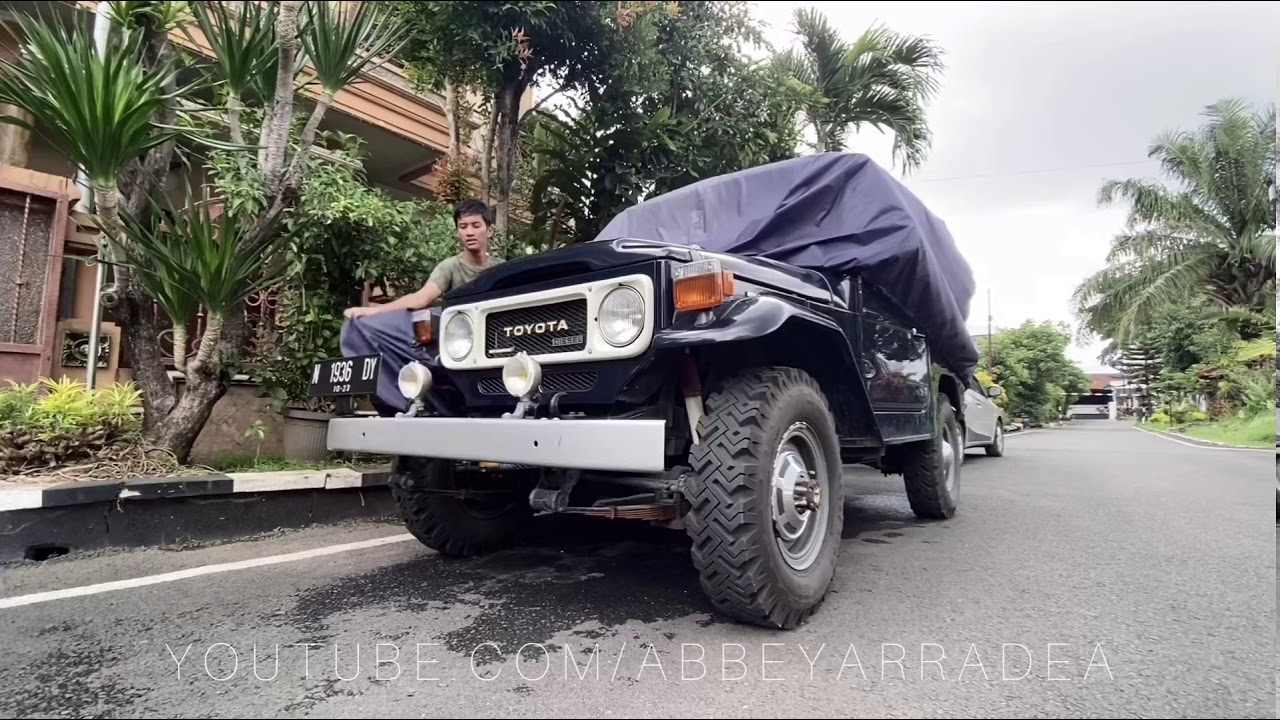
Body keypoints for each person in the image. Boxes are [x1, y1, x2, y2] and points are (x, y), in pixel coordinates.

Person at [339, 200, 502, 415]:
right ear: (457, 232)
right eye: (463, 227)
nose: (469, 232)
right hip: (459, 349)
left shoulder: (501, 268)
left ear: (489, 231)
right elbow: (420, 300)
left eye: (475, 225)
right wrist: (372, 312)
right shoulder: (450, 267)